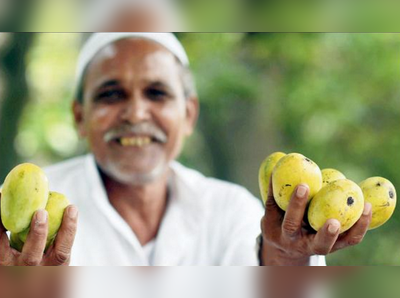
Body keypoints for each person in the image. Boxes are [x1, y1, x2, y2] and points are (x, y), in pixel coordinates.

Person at [0, 33, 372, 266]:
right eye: (111, 94)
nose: (135, 113)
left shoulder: (232, 211)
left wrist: (287, 257)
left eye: (157, 93)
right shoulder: (20, 222)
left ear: (189, 114)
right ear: (79, 117)